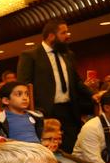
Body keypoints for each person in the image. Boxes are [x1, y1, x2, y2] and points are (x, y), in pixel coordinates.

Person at [16, 19, 94, 152]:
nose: (67, 36)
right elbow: (24, 86)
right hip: (45, 112)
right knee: (48, 151)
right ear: (51, 36)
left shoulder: (68, 55)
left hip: (69, 110)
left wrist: (93, 95)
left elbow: (76, 82)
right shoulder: (30, 56)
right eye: (63, 33)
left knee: (70, 148)